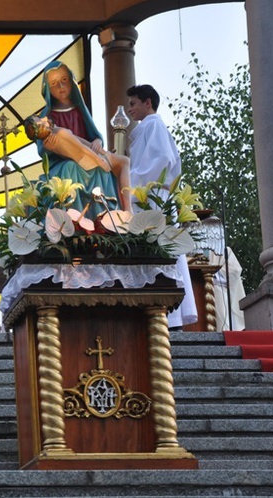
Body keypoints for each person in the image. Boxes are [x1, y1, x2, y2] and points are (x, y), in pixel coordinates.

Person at [126, 83, 197, 329]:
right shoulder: (148, 128)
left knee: (162, 251)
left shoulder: (154, 125)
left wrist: (129, 181)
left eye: (133, 103)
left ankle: (169, 314)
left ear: (148, 103)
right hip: (149, 196)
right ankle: (164, 312)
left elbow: (161, 160)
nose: (129, 109)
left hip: (153, 197)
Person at [33, 61, 131, 218]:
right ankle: (76, 219)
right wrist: (47, 147)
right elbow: (41, 147)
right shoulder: (47, 117)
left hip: (88, 154)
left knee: (112, 165)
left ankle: (119, 214)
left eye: (64, 80)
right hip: (62, 162)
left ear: (71, 82)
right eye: (54, 83)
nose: (60, 86)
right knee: (72, 167)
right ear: (47, 89)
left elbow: (94, 135)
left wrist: (98, 141)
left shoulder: (79, 109)